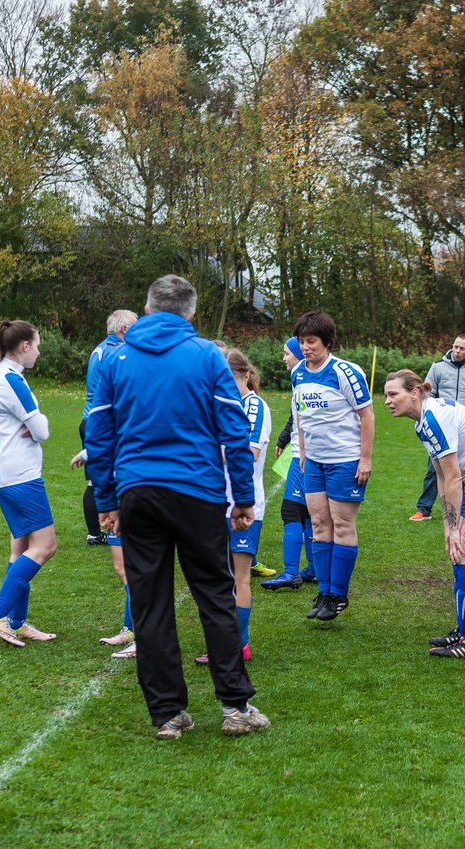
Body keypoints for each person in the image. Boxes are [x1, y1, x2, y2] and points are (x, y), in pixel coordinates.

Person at [85, 275, 268, 739]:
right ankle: (234, 706)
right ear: (191, 313)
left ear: (146, 310)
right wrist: (243, 497)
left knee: (150, 604)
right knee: (214, 595)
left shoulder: (114, 358)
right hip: (196, 492)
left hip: (138, 494)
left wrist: (106, 501)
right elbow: (233, 429)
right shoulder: (207, 354)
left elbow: (99, 435)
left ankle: (167, 713)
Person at [384, 370, 465, 659]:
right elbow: (442, 476)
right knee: (457, 551)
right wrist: (448, 526)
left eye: (393, 394)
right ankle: (464, 629)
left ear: (415, 392)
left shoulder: (434, 418)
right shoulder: (424, 422)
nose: (387, 401)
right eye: (386, 394)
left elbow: (454, 477)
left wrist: (457, 529)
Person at [0, 320, 59, 647]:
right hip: (19, 476)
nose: (38, 351)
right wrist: (38, 425)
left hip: (3, 474)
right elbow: (41, 430)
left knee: (21, 549)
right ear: (24, 346)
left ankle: (17, 621)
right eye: (37, 345)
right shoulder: (12, 380)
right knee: (46, 546)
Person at [290, 311, 374, 621]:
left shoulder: (345, 372)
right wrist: (302, 449)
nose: (305, 347)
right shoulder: (297, 372)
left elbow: (367, 415)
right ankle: (323, 592)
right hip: (313, 461)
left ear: (327, 341)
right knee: (318, 525)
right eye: (301, 341)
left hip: (344, 461)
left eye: (311, 341)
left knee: (341, 525)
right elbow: (299, 413)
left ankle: (339, 594)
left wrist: (364, 458)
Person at [71, 310, 139, 659]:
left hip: (123, 464)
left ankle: (140, 632)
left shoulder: (103, 350)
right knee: (121, 565)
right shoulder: (118, 355)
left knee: (132, 565)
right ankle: (132, 628)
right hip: (103, 438)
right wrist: (91, 450)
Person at [196, 349, 271, 665]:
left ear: (242, 374)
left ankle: (238, 646)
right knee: (217, 577)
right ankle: (222, 643)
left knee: (238, 577)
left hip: (244, 505)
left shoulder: (254, 406)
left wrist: (203, 450)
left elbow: (248, 452)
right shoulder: (220, 404)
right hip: (214, 502)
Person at [410, 335, 465, 521]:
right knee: (435, 468)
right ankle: (424, 509)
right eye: (455, 347)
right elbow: (426, 394)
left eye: (462, 348)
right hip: (440, 425)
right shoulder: (438, 367)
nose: (457, 351)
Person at [261, 337, 316, 591]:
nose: (284, 358)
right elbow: (297, 414)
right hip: (308, 451)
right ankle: (314, 569)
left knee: (291, 510)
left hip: (304, 455)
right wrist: (284, 437)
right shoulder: (303, 377)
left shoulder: (303, 376)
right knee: (308, 513)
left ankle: (292, 572)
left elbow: (303, 416)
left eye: (286, 353)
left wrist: (294, 445)